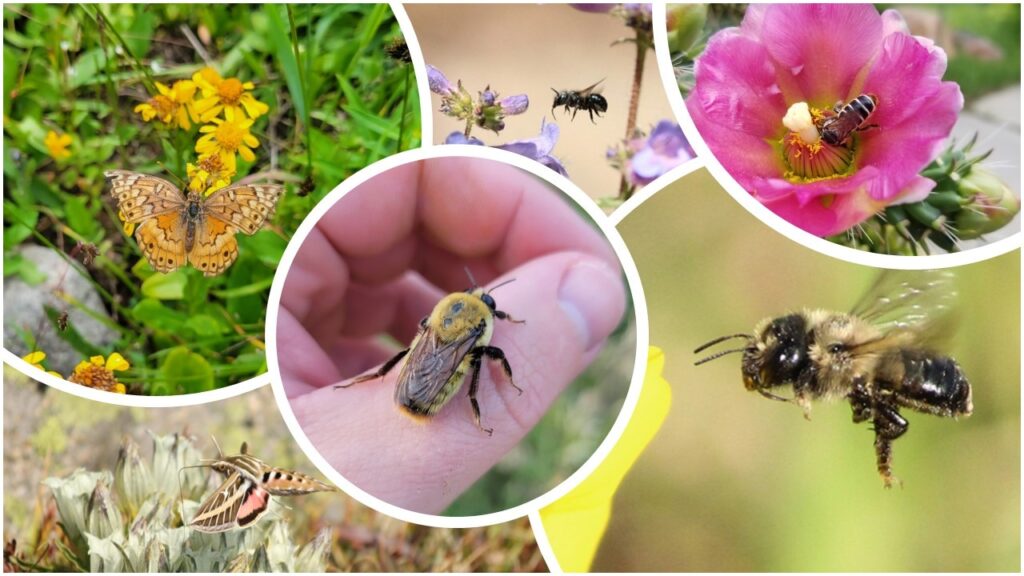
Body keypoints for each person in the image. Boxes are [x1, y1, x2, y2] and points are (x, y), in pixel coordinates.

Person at [278, 156, 627, 514]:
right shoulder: (480, 323)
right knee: (480, 364)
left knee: (437, 358)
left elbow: (426, 329)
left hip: (415, 383)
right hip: (430, 396)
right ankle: (474, 411)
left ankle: (371, 383)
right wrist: (512, 383)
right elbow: (494, 347)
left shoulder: (442, 315)